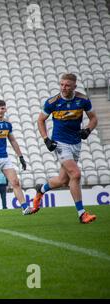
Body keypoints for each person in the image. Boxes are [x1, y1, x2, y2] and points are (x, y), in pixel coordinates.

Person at [33, 73, 98, 223]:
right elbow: (40, 120)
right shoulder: (52, 102)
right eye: (61, 84)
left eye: (67, 85)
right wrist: (46, 139)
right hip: (60, 143)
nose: (63, 87)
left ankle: (41, 189)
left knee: (63, 180)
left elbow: (93, 118)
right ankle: (82, 214)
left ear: (74, 86)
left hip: (76, 143)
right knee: (75, 174)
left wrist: (87, 130)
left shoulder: (83, 100)